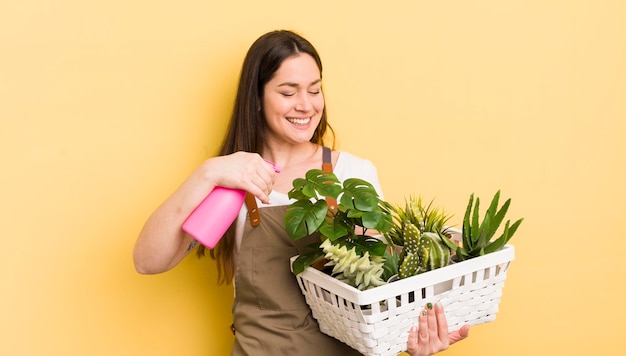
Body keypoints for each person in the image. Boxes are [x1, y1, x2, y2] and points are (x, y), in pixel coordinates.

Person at [133, 30, 469, 356]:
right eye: (288, 92)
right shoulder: (235, 180)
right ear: (257, 98)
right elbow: (149, 261)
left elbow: (381, 291)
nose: (306, 105)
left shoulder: (353, 174)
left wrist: (416, 342)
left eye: (314, 90)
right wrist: (208, 173)